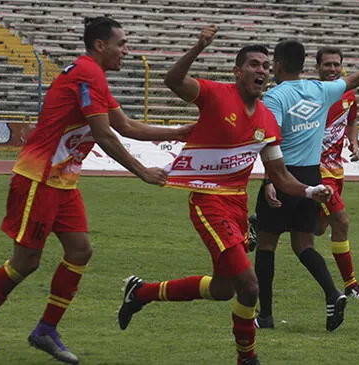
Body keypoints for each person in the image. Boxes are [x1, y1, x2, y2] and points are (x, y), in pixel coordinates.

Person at [0, 16, 193, 365]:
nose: (126, 51)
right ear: (100, 46)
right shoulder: (87, 73)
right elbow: (105, 135)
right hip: (38, 178)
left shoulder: (94, 76)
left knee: (80, 251)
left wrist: (180, 131)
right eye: (121, 44)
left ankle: (46, 330)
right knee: (26, 262)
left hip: (62, 180)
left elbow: (124, 125)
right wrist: (142, 171)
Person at [116, 25, 333, 365]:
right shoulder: (216, 94)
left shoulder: (267, 120)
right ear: (237, 71)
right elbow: (172, 81)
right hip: (207, 200)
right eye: (253, 64)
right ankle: (247, 357)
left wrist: (310, 190)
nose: (260, 70)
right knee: (249, 285)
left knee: (222, 289)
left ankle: (141, 292)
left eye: (265, 65)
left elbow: (279, 175)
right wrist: (198, 45)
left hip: (237, 204)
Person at [252, 40, 359, 331]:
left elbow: (271, 141)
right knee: (304, 243)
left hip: (285, 175)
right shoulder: (321, 90)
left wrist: (268, 181)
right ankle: (333, 292)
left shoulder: (273, 98)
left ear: (276, 65)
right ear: (303, 66)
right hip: (314, 177)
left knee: (266, 244)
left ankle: (265, 315)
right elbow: (356, 79)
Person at [314, 46, 359, 300]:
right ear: (317, 67)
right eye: (327, 65)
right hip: (316, 171)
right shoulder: (312, 94)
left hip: (336, 170)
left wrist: (354, 141)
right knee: (342, 221)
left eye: (336, 65)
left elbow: (351, 121)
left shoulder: (348, 94)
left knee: (316, 228)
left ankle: (261, 224)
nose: (332, 69)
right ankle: (351, 284)